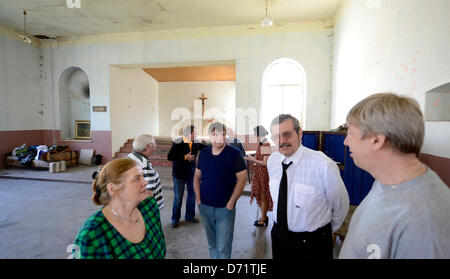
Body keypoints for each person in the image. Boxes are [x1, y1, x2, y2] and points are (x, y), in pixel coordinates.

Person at [339, 93, 450, 259]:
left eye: (350, 133)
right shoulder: (384, 181)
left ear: (376, 140)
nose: (345, 142)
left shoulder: (426, 223)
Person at [268, 114, 349, 259]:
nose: (282, 141)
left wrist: (323, 232)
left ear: (300, 133)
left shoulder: (322, 165)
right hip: (278, 236)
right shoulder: (273, 161)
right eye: (276, 137)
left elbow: (340, 205)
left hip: (313, 243)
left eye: (286, 134)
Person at [72, 158, 166, 259]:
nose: (145, 182)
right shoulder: (92, 235)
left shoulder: (149, 207)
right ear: (112, 188)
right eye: (137, 179)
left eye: (143, 176)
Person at [194, 122, 247, 259]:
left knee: (223, 247)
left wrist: (231, 203)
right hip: (205, 207)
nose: (220, 138)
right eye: (215, 134)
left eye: (223, 134)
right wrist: (199, 200)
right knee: (212, 244)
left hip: (225, 209)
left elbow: (242, 180)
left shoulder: (234, 155)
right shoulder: (204, 154)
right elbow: (196, 178)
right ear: (210, 136)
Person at [167, 125, 205, 228]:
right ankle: (175, 219)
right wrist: (184, 157)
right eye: (195, 133)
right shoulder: (178, 142)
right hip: (179, 174)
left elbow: (205, 147)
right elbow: (170, 156)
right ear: (189, 133)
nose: (196, 135)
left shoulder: (196, 142)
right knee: (178, 197)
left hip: (191, 173)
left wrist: (217, 145)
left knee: (192, 195)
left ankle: (189, 216)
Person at [244, 125, 273, 226]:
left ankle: (264, 218)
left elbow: (265, 162)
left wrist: (252, 160)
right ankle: (263, 216)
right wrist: (251, 157)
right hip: (259, 171)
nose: (253, 134)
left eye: (254, 132)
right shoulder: (262, 143)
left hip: (263, 173)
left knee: (263, 196)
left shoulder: (266, 144)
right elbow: (259, 157)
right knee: (260, 195)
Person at [128, 134, 164, 210]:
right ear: (147, 146)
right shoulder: (143, 164)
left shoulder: (130, 158)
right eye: (153, 146)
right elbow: (148, 191)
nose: (154, 149)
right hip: (147, 208)